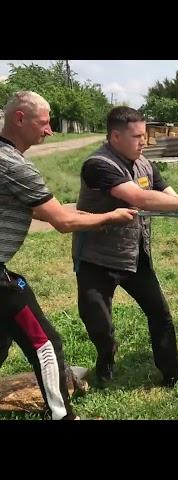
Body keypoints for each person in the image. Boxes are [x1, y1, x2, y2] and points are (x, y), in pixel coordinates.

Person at [72, 106, 178, 388]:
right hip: (96, 258)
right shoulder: (98, 165)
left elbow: (169, 196)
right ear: (115, 136)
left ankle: (172, 373)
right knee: (98, 322)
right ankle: (106, 354)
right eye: (137, 136)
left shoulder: (144, 164)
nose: (144, 141)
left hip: (134, 255)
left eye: (144, 134)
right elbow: (140, 198)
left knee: (159, 313)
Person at [0, 91, 137, 420]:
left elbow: (31, 209)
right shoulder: (13, 165)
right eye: (44, 123)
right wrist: (110, 217)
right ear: (20, 119)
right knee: (45, 344)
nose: (50, 131)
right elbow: (63, 221)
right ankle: (63, 417)